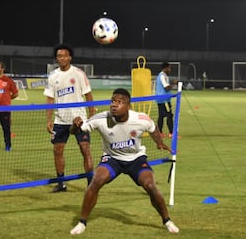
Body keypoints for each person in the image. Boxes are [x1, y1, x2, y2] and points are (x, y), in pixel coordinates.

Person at [69, 88, 179, 235]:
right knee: (96, 181)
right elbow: (76, 131)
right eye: (112, 101)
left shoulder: (141, 119)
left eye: (119, 102)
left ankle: (167, 220)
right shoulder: (101, 119)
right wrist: (74, 125)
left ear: (128, 105)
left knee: (150, 185)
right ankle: (82, 222)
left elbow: (153, 128)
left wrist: (159, 143)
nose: (114, 105)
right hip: (112, 159)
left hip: (136, 159)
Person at [44, 43, 95, 192]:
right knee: (57, 151)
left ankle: (91, 184)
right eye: (59, 56)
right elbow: (49, 99)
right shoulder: (53, 76)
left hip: (79, 120)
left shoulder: (79, 73)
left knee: (85, 150)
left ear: (70, 57)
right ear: (56, 58)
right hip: (60, 121)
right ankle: (61, 183)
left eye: (65, 55)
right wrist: (48, 119)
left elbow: (89, 95)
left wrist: (91, 116)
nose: (62, 58)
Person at [155, 62, 176, 138]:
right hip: (164, 99)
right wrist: (174, 84)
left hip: (160, 98)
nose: (170, 70)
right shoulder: (162, 76)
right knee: (169, 115)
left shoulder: (160, 76)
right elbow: (166, 88)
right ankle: (171, 133)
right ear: (166, 68)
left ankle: (160, 133)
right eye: (169, 68)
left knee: (161, 116)